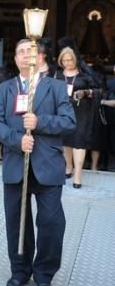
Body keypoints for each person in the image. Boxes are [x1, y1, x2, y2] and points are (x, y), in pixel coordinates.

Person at [0, 39, 76, 286]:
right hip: (17, 165)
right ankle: (19, 271)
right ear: (15, 59)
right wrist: (16, 140)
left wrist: (40, 122)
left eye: (31, 51)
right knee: (17, 222)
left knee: (51, 223)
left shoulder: (57, 87)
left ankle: (44, 275)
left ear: (40, 57)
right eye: (21, 51)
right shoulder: (5, 89)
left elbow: (69, 121)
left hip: (48, 166)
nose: (26, 55)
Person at [55, 46, 99, 188]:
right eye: (64, 60)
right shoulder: (58, 75)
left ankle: (78, 176)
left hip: (82, 113)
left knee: (79, 142)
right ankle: (68, 167)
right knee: (66, 141)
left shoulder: (84, 75)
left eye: (70, 60)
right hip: (63, 112)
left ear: (75, 60)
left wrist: (85, 92)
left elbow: (99, 90)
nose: (67, 63)